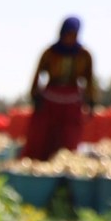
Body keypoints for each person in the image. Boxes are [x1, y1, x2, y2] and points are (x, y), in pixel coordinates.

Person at [22, 17, 97, 161]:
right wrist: (35, 96)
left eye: (73, 34)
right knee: (43, 137)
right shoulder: (50, 52)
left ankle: (64, 169)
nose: (70, 37)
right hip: (50, 100)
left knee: (69, 138)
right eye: (67, 33)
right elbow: (37, 75)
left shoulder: (84, 55)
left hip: (72, 102)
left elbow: (90, 79)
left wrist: (91, 101)